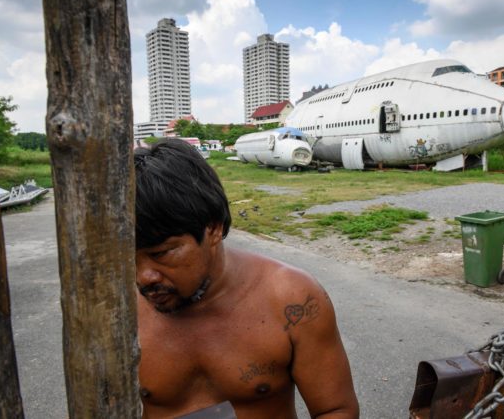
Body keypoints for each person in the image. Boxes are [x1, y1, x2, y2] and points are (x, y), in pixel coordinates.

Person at [134, 139, 359, 419]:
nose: (143, 277)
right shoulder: (116, 310)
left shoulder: (292, 299)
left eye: (163, 253)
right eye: (128, 256)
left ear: (213, 228)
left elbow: (335, 410)